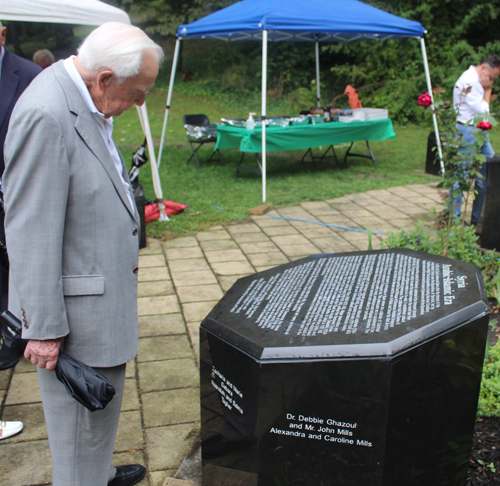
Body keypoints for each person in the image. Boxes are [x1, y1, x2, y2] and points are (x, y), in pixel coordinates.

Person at [3, 22, 163, 486]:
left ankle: (99, 471)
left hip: (97, 300)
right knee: (76, 437)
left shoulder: (88, 97)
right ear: (106, 78)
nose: (141, 103)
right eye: (137, 92)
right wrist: (44, 331)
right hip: (74, 318)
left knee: (94, 418)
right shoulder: (46, 114)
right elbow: (29, 228)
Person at [0, 20, 41, 371]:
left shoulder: (29, 75)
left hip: (14, 192)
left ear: (2, 33)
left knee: (16, 265)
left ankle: (17, 333)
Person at [451, 55, 500, 224]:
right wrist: (487, 90)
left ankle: (476, 219)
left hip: (477, 131)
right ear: (485, 69)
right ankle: (455, 221)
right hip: (469, 131)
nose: (492, 82)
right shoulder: (471, 82)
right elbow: (484, 114)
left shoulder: (475, 79)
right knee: (461, 176)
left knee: (489, 170)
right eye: (492, 78)